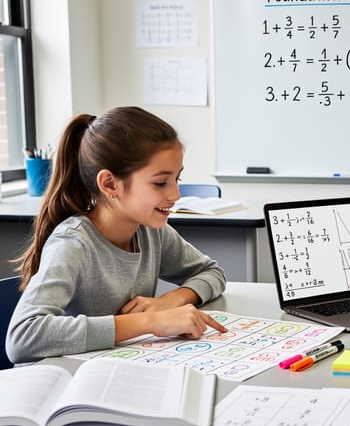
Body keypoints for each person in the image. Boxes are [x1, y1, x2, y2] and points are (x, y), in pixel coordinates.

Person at [6, 107, 228, 364]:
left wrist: (171, 300)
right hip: (69, 385)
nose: (176, 194)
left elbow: (212, 273)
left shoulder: (149, 232)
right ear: (110, 184)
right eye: (160, 182)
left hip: (120, 367)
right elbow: (22, 336)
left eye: (177, 179)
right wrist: (148, 321)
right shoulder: (73, 244)